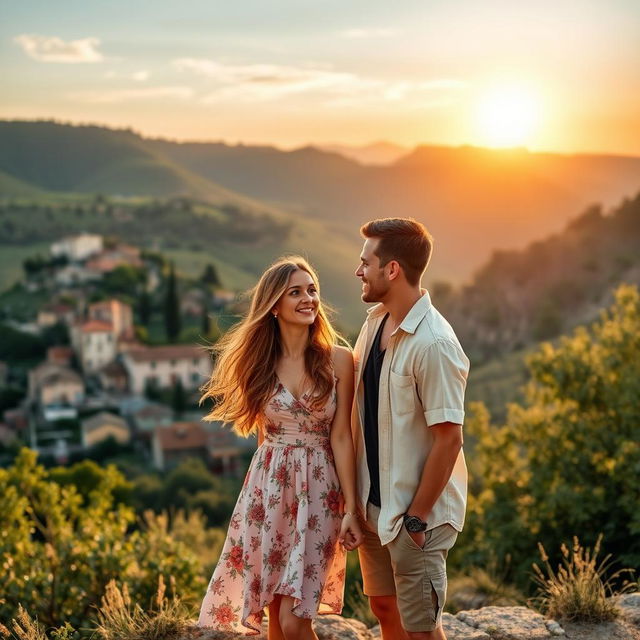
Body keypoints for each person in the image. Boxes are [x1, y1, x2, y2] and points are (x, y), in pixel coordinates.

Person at [197, 256, 363, 639]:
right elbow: (263, 435)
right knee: (273, 615)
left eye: (312, 290)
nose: (309, 299)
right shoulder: (259, 365)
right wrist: (262, 494)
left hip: (321, 491)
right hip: (267, 490)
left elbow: (342, 436)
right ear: (274, 305)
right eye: (296, 292)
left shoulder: (337, 359)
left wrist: (351, 509)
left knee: (293, 620)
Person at [351, 218, 470, 640]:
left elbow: (449, 439)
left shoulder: (434, 344)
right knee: (385, 608)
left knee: (421, 629)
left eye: (366, 262)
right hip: (375, 509)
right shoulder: (374, 323)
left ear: (393, 269)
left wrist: (416, 521)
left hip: (415, 517)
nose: (358, 270)